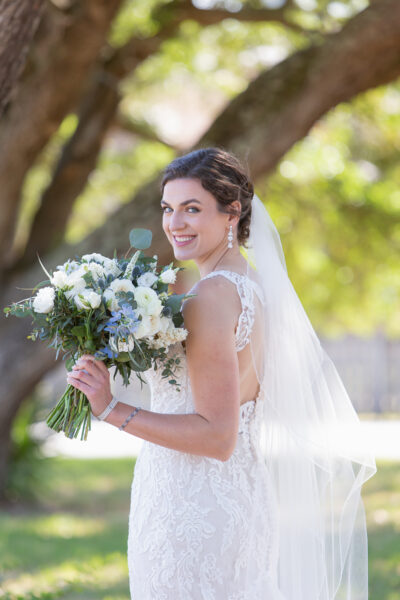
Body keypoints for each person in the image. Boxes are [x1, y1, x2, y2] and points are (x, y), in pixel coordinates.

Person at [67, 147, 376, 599]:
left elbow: (217, 435)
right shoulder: (254, 287)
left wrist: (111, 408)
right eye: (169, 209)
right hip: (238, 496)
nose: (175, 223)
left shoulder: (210, 298)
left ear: (231, 214)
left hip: (189, 505)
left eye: (192, 209)